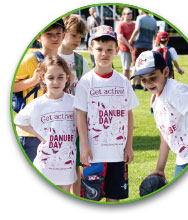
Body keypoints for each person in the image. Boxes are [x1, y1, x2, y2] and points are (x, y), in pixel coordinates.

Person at [74, 25, 139, 202]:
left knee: (114, 198)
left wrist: (129, 145)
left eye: (110, 49)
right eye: (100, 49)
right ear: (91, 50)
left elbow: (129, 115)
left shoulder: (123, 82)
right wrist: (84, 145)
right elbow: (81, 115)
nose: (104, 54)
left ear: (117, 50)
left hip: (118, 153)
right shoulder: (86, 82)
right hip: (94, 153)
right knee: (90, 199)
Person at [130, 50, 188, 179]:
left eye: (153, 77)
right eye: (143, 80)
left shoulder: (174, 90)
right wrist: (160, 169)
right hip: (183, 157)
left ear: (165, 72)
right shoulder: (156, 103)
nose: (148, 83)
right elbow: (165, 138)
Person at [14, 55, 77, 192]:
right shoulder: (38, 104)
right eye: (50, 78)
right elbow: (18, 120)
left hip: (66, 164)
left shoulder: (73, 102)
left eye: (60, 77)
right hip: (45, 164)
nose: (56, 82)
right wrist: (37, 133)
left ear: (67, 77)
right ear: (42, 78)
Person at [13, 19, 65, 162]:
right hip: (30, 131)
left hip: (53, 130)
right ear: (39, 37)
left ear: (64, 35)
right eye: (49, 34)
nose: (54, 38)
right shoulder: (31, 60)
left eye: (58, 33)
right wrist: (34, 80)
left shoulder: (61, 61)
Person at [58, 14, 90, 197]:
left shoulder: (81, 61)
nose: (78, 40)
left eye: (80, 36)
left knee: (76, 164)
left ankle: (77, 197)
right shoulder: (54, 57)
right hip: (58, 117)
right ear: (64, 33)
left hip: (77, 119)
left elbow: (86, 89)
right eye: (74, 35)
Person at [149, 31, 184, 114]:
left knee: (155, 91)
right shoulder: (171, 49)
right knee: (168, 90)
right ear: (168, 39)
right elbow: (175, 62)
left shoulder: (154, 49)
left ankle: (152, 109)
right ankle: (168, 108)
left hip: (156, 74)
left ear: (158, 40)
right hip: (167, 74)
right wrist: (179, 70)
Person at [128, 10, 157, 90]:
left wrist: (131, 39)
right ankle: (143, 85)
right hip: (148, 45)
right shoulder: (154, 20)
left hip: (139, 45)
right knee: (145, 66)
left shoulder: (140, 18)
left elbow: (137, 29)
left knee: (135, 65)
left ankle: (132, 84)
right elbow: (155, 35)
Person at [117, 7, 135, 79]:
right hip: (125, 49)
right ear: (124, 15)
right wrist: (129, 46)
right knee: (126, 68)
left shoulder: (134, 24)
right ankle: (125, 84)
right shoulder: (121, 25)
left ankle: (135, 84)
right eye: (128, 13)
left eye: (131, 13)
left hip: (134, 49)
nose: (130, 15)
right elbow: (120, 37)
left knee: (135, 67)